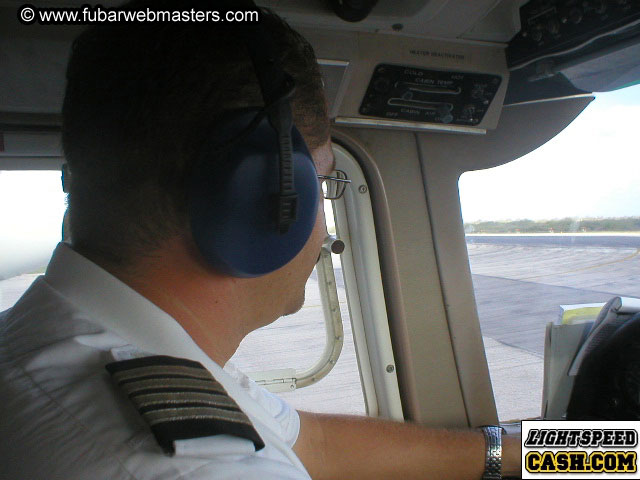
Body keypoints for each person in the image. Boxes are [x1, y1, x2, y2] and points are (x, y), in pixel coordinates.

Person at [0, 1, 521, 478]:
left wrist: (578, 450)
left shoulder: (62, 341)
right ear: (262, 201)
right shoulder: (202, 469)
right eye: (321, 187)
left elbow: (313, 442)